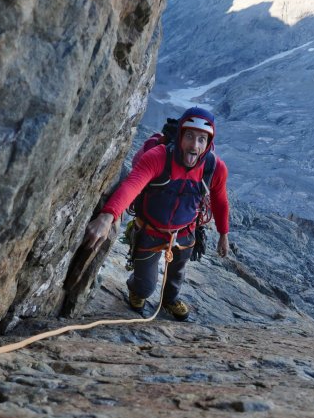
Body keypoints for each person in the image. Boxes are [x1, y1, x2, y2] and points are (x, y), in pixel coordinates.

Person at [84, 107, 229, 320]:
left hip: (186, 230)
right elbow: (132, 185)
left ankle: (170, 299)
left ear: (209, 143)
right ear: (180, 135)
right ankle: (137, 289)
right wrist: (107, 216)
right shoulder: (159, 157)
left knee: (177, 272)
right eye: (189, 136)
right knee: (145, 286)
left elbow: (220, 201)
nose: (194, 146)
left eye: (201, 139)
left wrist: (223, 234)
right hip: (150, 230)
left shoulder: (214, 168)